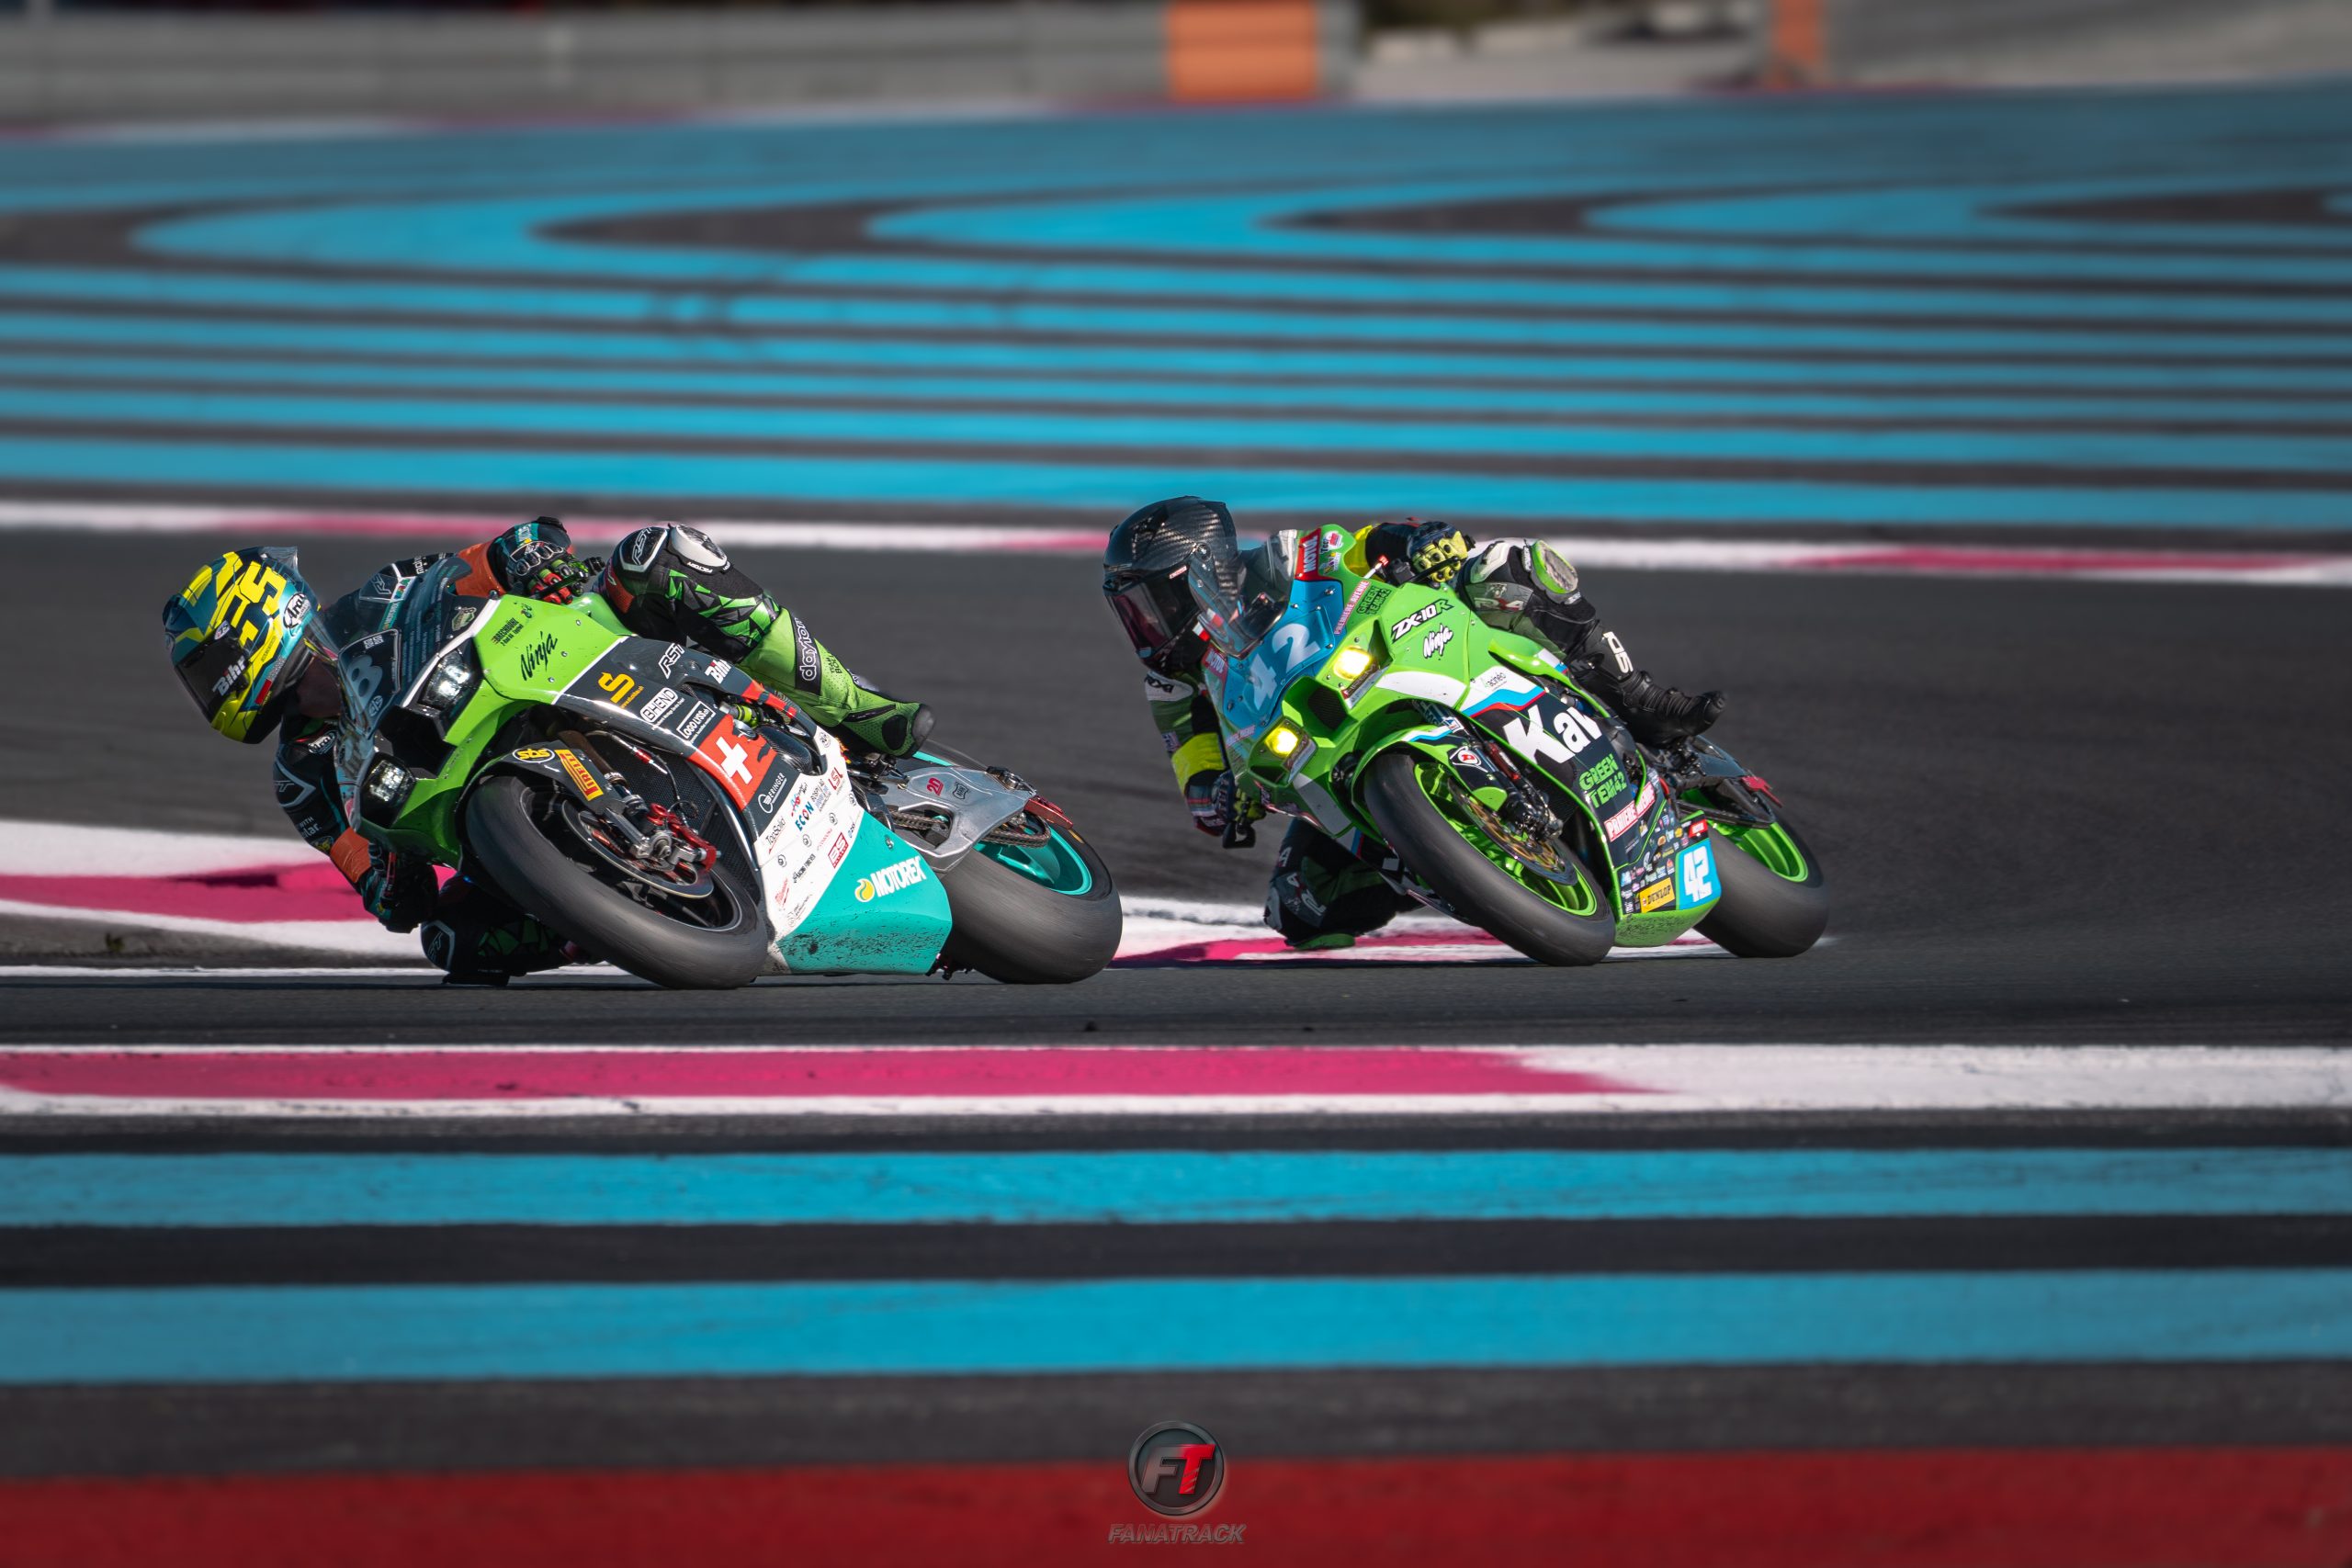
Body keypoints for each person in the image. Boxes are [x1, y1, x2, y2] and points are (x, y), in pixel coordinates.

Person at [163, 518, 930, 982]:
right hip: (472, 793)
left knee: (655, 556)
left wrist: (536, 559)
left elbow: (499, 551)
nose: (208, 690)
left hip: (553, 664)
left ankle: (860, 711)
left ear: (253, 619)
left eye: (206, 666)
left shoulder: (380, 596)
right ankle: (626, 918)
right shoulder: (301, 779)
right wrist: (389, 875)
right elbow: (379, 886)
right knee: (453, 940)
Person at [1101, 496, 1725, 950]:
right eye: (1133, 612)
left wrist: (1416, 542)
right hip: (1326, 762)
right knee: (1299, 909)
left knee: (1507, 567)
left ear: (1201, 573)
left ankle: (1637, 696)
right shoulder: (1174, 682)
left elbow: (1363, 543)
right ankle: (1445, 857)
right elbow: (1193, 765)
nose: (1146, 626)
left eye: (1152, 604)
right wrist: (1217, 796)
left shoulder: (1289, 559)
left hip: (1399, 670)